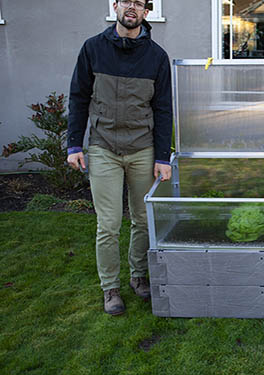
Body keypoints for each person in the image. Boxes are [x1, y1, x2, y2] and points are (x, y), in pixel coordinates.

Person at [67, 0, 172, 315]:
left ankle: (138, 277)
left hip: (143, 149)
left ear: (146, 12)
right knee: (109, 224)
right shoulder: (93, 49)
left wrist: (162, 157)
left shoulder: (157, 58)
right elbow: (79, 97)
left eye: (139, 3)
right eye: (127, 1)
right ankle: (110, 288)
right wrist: (74, 145)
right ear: (115, 6)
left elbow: (163, 109)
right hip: (104, 148)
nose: (132, 7)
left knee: (142, 219)